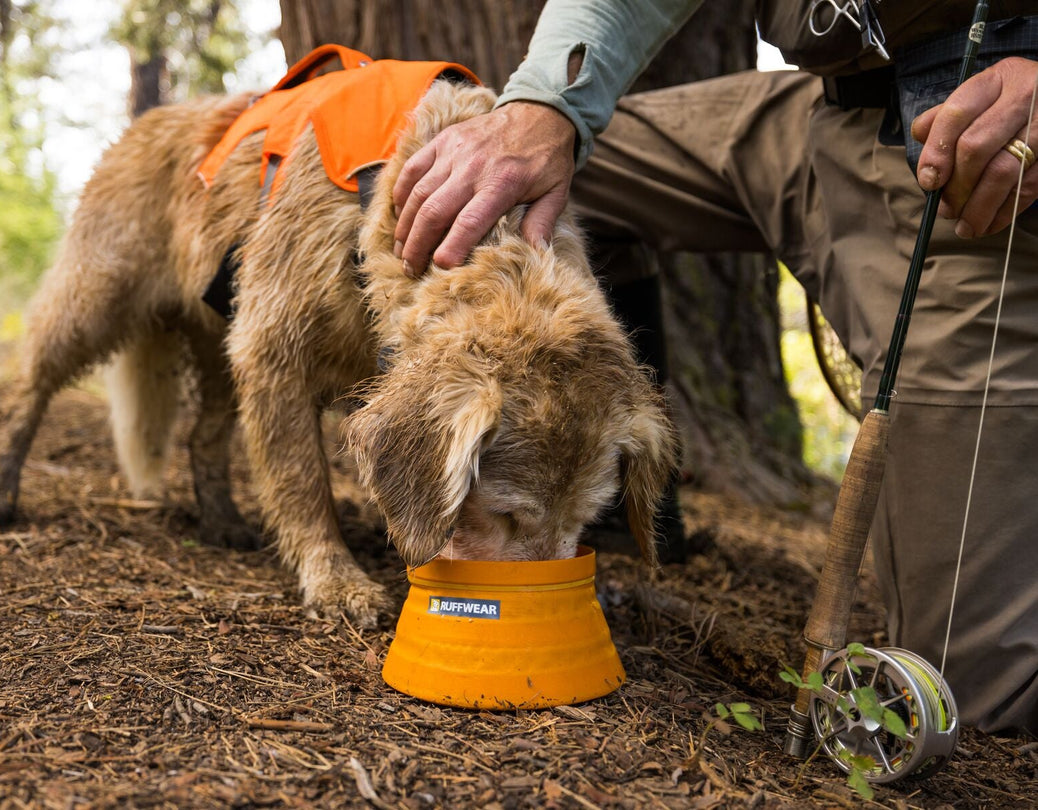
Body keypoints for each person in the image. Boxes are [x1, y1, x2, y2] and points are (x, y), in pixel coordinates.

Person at [392, 0, 1038, 734]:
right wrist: (549, 105)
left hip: (976, 159)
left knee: (974, 694)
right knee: (470, 181)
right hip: (817, 105)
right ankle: (602, 502)